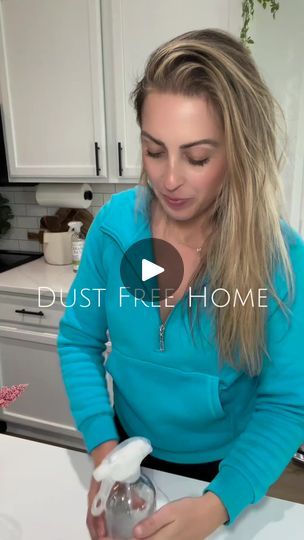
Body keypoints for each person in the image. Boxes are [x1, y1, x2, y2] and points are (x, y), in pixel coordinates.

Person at [57, 28, 304, 540]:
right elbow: (78, 340)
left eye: (196, 158)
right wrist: (105, 451)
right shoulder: (113, 228)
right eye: (153, 150)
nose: (169, 180)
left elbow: (287, 403)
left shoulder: (278, 257)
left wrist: (217, 506)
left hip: (225, 471)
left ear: (238, 152)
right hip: (127, 453)